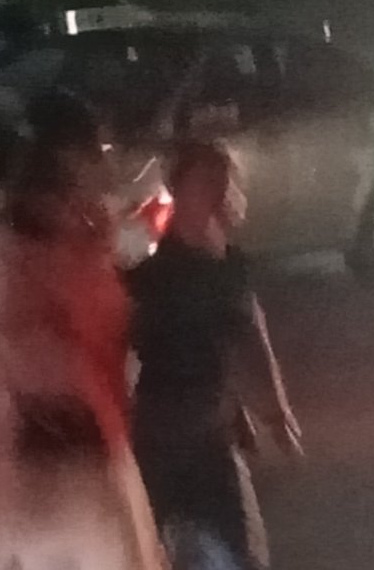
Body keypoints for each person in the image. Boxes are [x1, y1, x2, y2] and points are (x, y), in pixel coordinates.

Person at [0, 92, 164, 570]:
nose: (107, 162)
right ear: (68, 157)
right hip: (54, 461)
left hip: (55, 453)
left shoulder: (71, 237)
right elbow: (37, 353)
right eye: (99, 150)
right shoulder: (31, 249)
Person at [128, 142, 301, 570]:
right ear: (178, 190)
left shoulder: (230, 266)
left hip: (210, 431)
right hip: (163, 436)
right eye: (205, 183)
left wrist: (276, 411)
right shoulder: (151, 278)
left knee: (240, 551)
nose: (219, 193)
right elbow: (120, 354)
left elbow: (252, 336)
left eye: (224, 183)